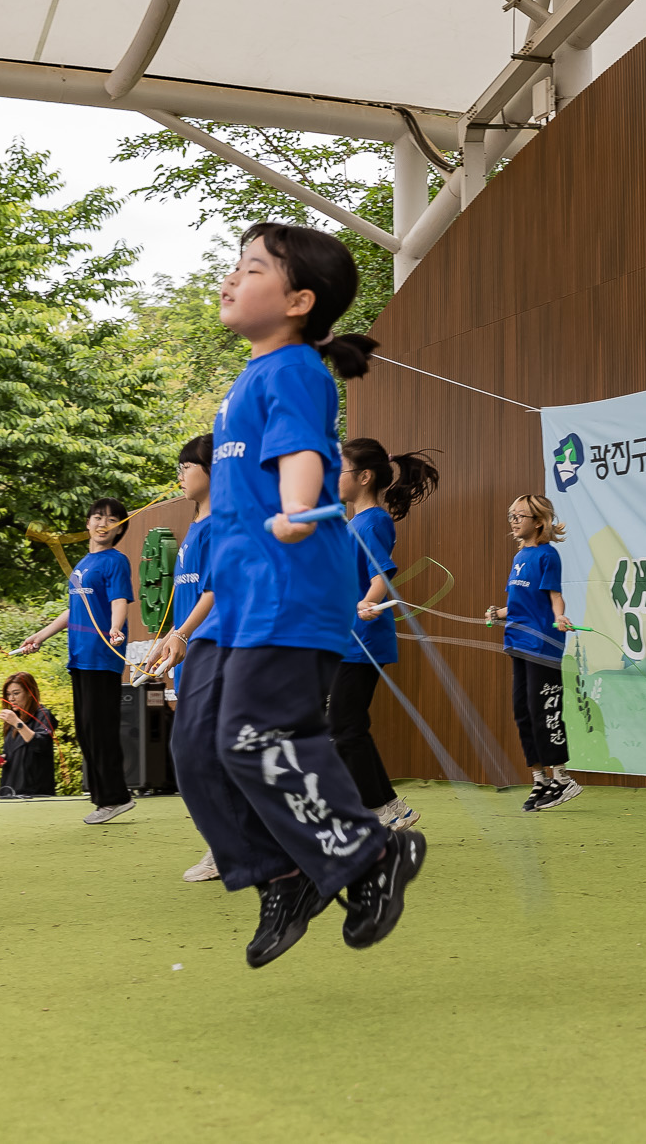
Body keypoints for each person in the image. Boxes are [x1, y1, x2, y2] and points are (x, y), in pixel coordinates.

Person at [173, 222, 422, 967]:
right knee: (196, 747)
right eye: (235, 266)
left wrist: (297, 501)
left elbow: (304, 449)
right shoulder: (244, 381)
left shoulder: (294, 369)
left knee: (254, 735)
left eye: (250, 268)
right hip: (239, 598)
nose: (230, 278)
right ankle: (281, 872)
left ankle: (370, 852)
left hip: (287, 592)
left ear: (298, 300)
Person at [333, 436, 439, 833]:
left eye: (338, 469)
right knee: (347, 726)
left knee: (344, 727)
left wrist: (369, 601)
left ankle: (381, 809)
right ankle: (390, 807)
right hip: (344, 640)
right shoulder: (352, 522)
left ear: (363, 476)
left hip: (362, 640)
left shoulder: (373, 520)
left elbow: (381, 575)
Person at [18, 499, 137, 823]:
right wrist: (41, 635)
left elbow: (118, 601)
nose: (103, 523)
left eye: (112, 520)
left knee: (101, 730)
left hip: (101, 657)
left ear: (119, 528)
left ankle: (115, 797)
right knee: (87, 730)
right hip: (80, 657)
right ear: (87, 522)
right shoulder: (84, 563)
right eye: (98, 517)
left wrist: (115, 628)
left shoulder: (116, 561)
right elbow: (75, 610)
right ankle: (104, 797)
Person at [151, 435, 223, 881]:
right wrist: (170, 637)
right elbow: (192, 594)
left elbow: (218, 591)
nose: (180, 474)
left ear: (214, 470)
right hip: (194, 650)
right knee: (200, 750)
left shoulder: (222, 526)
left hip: (217, 649)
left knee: (197, 750)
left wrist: (182, 632)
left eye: (187, 465)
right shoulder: (195, 528)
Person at [489, 494, 577, 812]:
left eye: (519, 516)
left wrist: (560, 616)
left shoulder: (547, 556)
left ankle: (563, 779)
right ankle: (540, 780)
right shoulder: (519, 558)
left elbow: (555, 596)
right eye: (511, 515)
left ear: (538, 522)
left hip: (543, 645)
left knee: (544, 713)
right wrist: (497, 614)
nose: (513, 521)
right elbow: (518, 604)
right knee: (523, 712)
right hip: (517, 643)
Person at [0, 673, 59, 797]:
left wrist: (17, 723)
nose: (11, 698)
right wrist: (1, 759)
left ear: (30, 692)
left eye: (16, 693)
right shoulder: (14, 718)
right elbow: (16, 751)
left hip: (36, 792)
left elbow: (41, 744)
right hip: (11, 791)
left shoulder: (43, 715)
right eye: (8, 694)